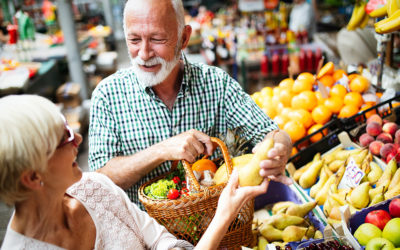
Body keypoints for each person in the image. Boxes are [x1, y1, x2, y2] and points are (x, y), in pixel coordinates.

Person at [89, 0, 292, 208]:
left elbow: (272, 133)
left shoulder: (216, 84)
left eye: (157, 39)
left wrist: (280, 149)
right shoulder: (108, 95)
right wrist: (160, 151)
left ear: (184, 38)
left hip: (217, 232)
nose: (144, 53)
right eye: (134, 40)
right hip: (143, 238)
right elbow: (99, 180)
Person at [0, 94, 269, 250]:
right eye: (64, 137)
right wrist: (223, 215)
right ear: (33, 177)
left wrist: (223, 213)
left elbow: (163, 242)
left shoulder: (95, 188)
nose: (79, 139)